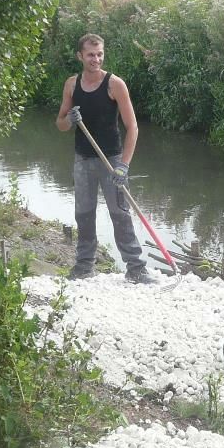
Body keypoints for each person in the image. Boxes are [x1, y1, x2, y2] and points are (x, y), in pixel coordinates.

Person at [57, 33, 154, 284]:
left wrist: (124, 165)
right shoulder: (72, 84)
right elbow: (60, 124)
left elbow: (132, 127)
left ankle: (135, 268)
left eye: (100, 54)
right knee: (84, 213)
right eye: (91, 54)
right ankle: (84, 266)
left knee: (120, 212)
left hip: (111, 159)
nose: (96, 59)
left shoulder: (114, 84)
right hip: (83, 159)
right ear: (80, 56)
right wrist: (70, 119)